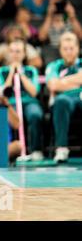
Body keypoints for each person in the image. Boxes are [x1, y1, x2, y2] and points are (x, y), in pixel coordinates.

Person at [0, 39, 44, 161]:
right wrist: (11, 73)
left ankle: (35, 150)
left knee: (35, 114)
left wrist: (21, 73)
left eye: (18, 51)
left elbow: (34, 92)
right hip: (10, 103)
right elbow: (2, 93)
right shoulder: (1, 72)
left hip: (28, 101)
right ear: (8, 54)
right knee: (8, 117)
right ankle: (11, 150)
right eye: (12, 51)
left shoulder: (31, 70)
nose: (15, 54)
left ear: (23, 54)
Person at [45, 32, 82, 163]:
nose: (69, 52)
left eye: (72, 48)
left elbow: (58, 83)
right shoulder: (54, 66)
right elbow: (53, 86)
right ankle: (61, 148)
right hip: (65, 101)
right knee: (61, 101)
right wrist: (77, 80)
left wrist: (63, 82)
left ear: (78, 48)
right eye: (65, 49)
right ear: (60, 50)